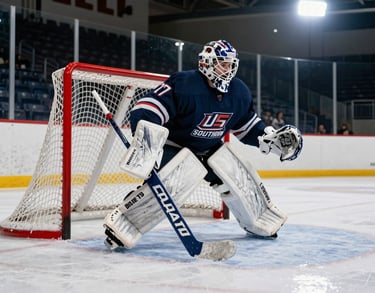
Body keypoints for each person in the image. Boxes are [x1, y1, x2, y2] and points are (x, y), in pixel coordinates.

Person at [103, 40, 303, 251]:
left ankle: (258, 221)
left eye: (230, 64)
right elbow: (148, 106)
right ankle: (124, 223)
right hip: (176, 145)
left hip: (210, 147)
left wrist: (267, 136)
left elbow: (246, 125)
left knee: (238, 174)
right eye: (222, 64)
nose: (227, 69)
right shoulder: (185, 83)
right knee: (174, 181)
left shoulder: (239, 92)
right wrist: (146, 142)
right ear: (206, 63)